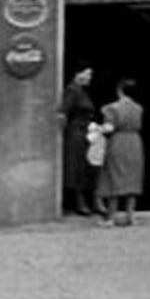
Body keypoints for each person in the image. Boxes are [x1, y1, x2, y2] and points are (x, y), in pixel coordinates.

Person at [98, 77, 145, 227]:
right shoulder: (138, 108)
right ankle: (131, 215)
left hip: (118, 141)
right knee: (132, 178)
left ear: (120, 90)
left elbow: (109, 127)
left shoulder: (112, 108)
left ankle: (111, 217)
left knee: (114, 177)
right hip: (135, 142)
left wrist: (98, 130)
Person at [58, 64, 98, 216]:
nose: (89, 78)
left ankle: (87, 200)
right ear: (77, 74)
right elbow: (63, 110)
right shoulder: (72, 90)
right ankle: (79, 201)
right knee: (77, 165)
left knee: (86, 164)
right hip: (77, 131)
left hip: (86, 130)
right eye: (87, 74)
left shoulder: (82, 92)